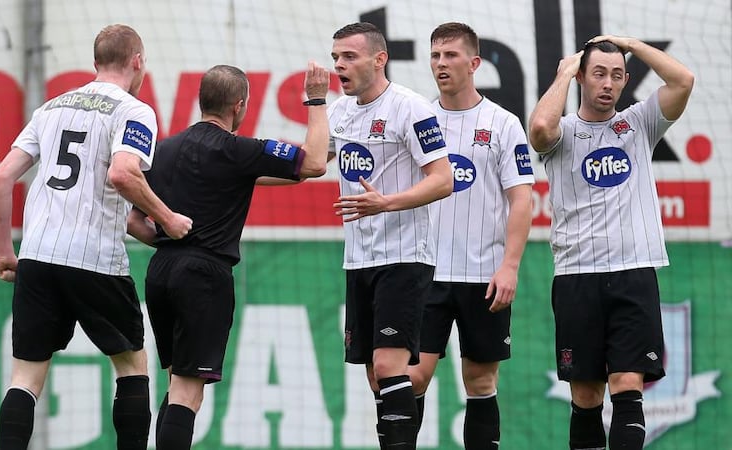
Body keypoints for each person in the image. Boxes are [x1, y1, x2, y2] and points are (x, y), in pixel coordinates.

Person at [0, 24, 193, 450]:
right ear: (137, 61)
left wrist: (7, 253)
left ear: (95, 60)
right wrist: (168, 218)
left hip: (38, 256)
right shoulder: (133, 110)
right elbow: (123, 173)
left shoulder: (50, 108)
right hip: (95, 258)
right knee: (132, 366)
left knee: (25, 377)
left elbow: (1, 178)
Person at [125, 62, 330, 450]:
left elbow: (133, 221)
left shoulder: (163, 150)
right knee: (188, 393)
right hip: (204, 275)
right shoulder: (240, 150)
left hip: (161, 271)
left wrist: (171, 241)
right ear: (239, 106)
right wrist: (317, 100)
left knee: (175, 384)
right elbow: (315, 163)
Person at [528, 35, 694, 450]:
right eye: (598, 73)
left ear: (626, 82)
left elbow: (684, 81)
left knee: (627, 385)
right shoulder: (563, 132)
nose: (607, 83)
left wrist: (631, 45)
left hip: (633, 272)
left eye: (617, 76)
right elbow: (540, 128)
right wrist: (565, 71)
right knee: (586, 397)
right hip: (576, 276)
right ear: (582, 77)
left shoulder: (639, 123)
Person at [407, 22, 535, 450]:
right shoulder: (418, 119)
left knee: (479, 380)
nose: (441, 64)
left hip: (483, 274)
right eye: (435, 56)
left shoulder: (503, 124)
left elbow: (521, 199)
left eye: (451, 56)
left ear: (474, 63)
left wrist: (510, 266)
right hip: (425, 272)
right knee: (412, 376)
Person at [327, 22, 454, 449]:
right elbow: (308, 163)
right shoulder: (337, 111)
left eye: (349, 57)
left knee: (387, 365)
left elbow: (443, 179)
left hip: (404, 256)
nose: (339, 66)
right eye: (335, 58)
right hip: (358, 258)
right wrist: (238, 167)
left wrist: (387, 203)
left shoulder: (411, 108)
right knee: (374, 374)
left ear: (379, 59)